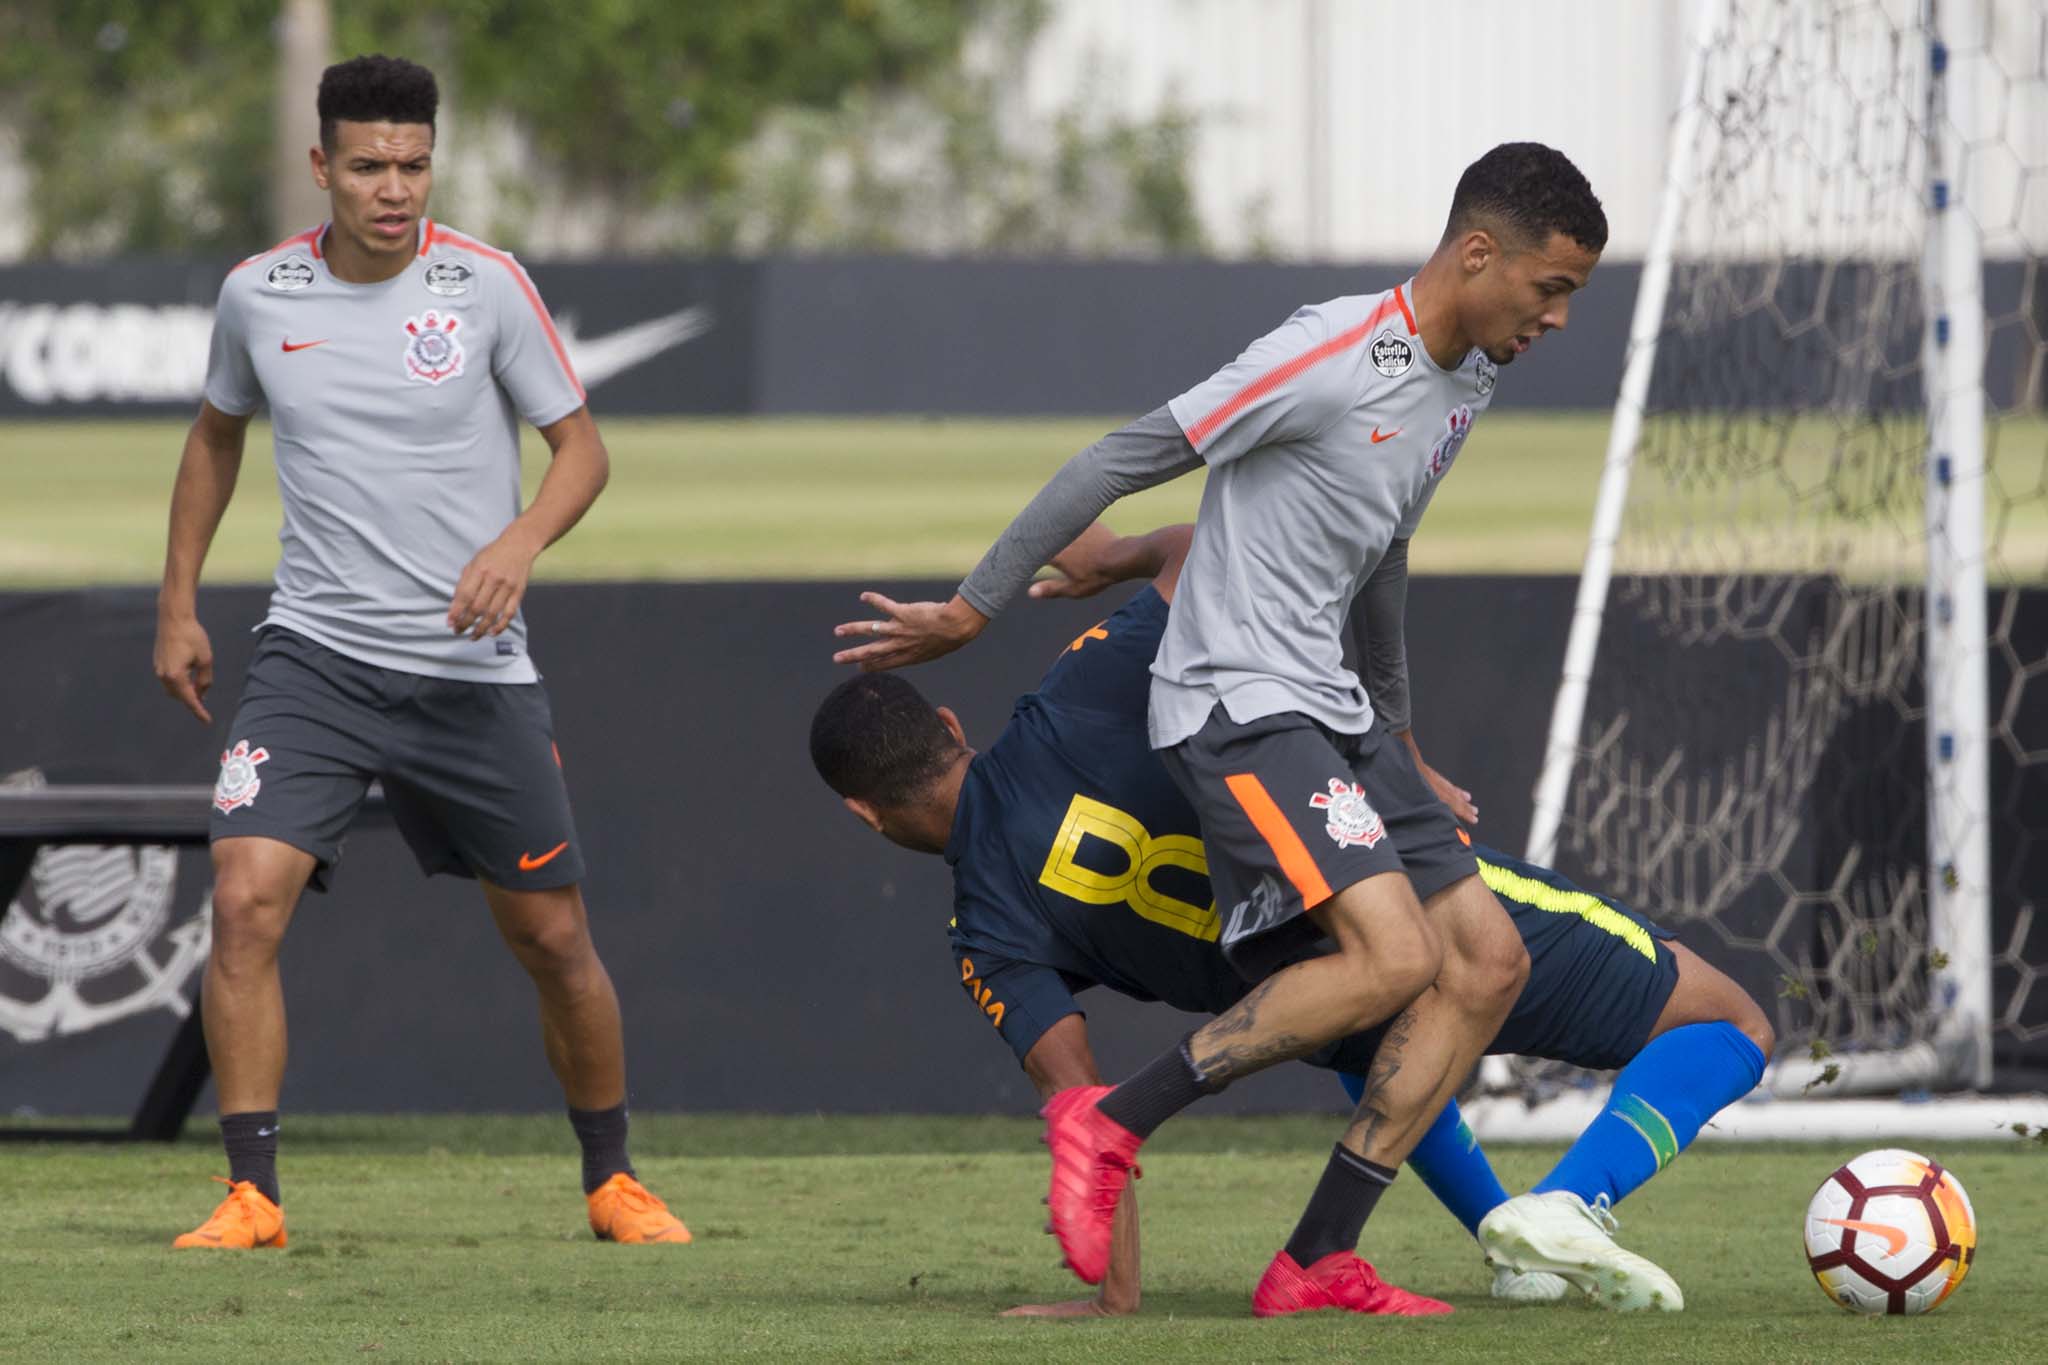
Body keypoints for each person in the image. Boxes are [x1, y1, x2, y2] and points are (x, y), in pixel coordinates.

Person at [832, 142, 1608, 1311]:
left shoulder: (1463, 384)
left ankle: (1312, 1262)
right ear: (1477, 254)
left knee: (1485, 963)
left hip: (1331, 706)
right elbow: (1119, 457)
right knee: (1392, 959)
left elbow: (1380, 561)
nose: (1556, 318)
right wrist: (971, 608)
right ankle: (1115, 1125)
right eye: (1549, 289)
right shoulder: (1325, 354)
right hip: (1237, 698)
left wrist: (1397, 739)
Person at [810, 523, 1772, 1315]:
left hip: (1308, 1004)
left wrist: (1117, 1299)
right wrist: (1122, 553)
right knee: (1730, 1019)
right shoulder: (1073, 693)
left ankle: (1505, 1241)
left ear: (862, 812)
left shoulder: (985, 930)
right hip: (1408, 905)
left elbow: (1077, 1105)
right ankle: (1571, 1199)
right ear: (946, 725)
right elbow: (1203, 553)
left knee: (1373, 1047)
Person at [152, 54, 685, 1250]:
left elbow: (583, 451)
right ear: (320, 167)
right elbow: (213, 439)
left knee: (552, 940)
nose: (392, 189)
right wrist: (176, 603)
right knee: (243, 903)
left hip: (471, 674)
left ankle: (612, 1178)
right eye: (367, 166)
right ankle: (252, 1196)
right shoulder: (260, 295)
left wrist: (520, 543)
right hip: (314, 662)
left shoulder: (486, 286)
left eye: (412, 164)